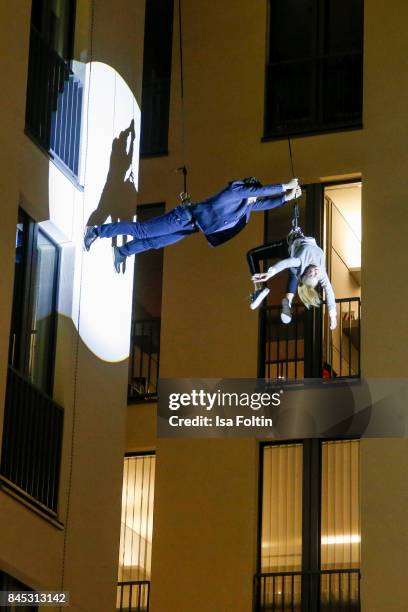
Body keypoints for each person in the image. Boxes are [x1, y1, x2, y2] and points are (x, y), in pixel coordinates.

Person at [83, 177, 301, 272]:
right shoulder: (235, 192)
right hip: (184, 217)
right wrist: (284, 186)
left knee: (156, 243)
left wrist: (286, 198)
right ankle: (97, 231)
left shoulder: (243, 207)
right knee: (142, 229)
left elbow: (263, 203)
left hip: (191, 227)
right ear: (249, 190)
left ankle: (123, 250)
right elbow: (259, 193)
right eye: (253, 195)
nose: (255, 200)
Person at [249, 229, 337, 330]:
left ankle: (260, 288)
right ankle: (288, 301)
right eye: (317, 276)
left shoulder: (299, 262)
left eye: (313, 274)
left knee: (251, 255)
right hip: (295, 253)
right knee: (293, 273)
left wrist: (270, 273)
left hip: (287, 249)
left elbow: (285, 263)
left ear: (306, 272)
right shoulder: (321, 272)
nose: (316, 272)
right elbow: (329, 290)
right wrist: (333, 315)